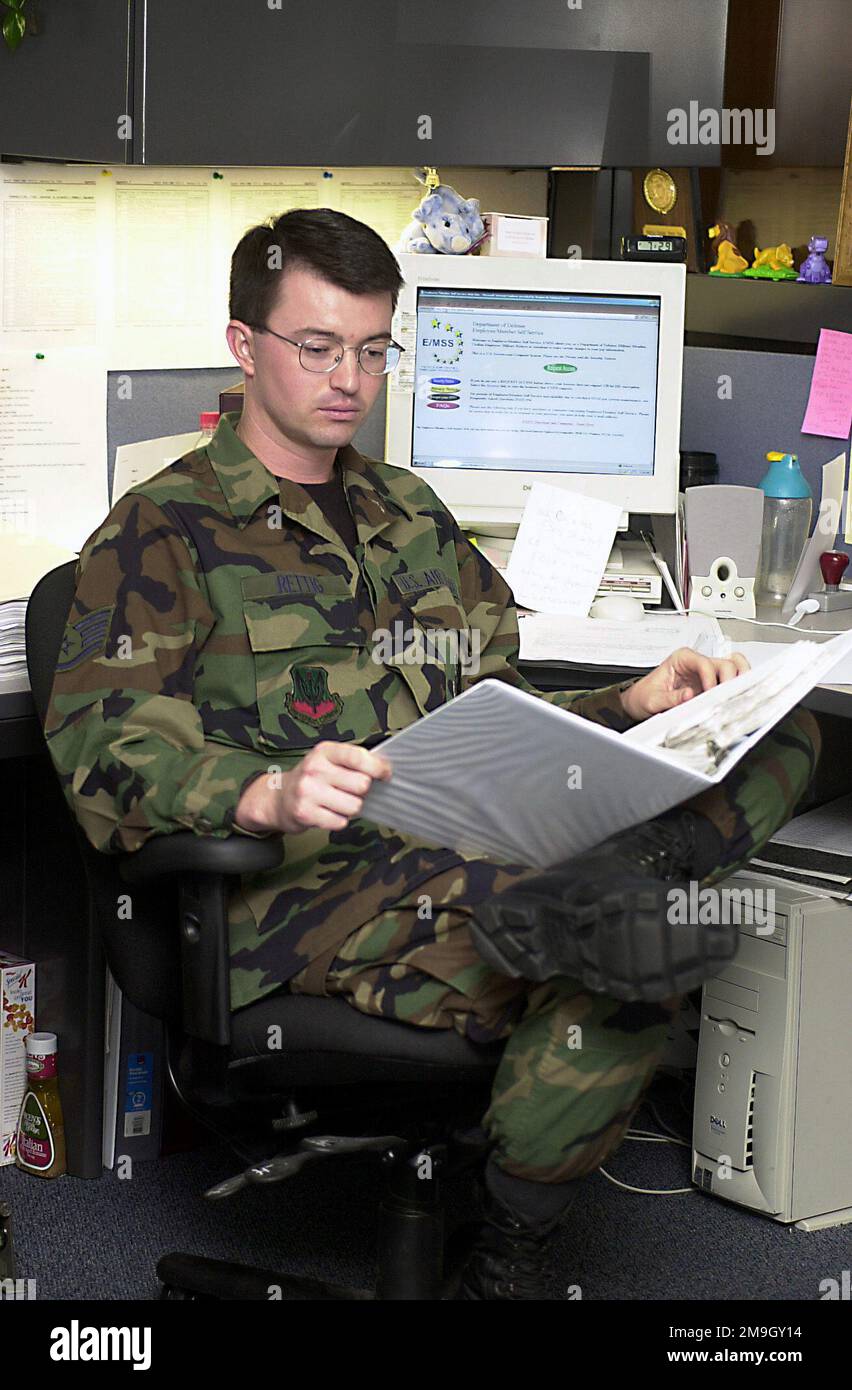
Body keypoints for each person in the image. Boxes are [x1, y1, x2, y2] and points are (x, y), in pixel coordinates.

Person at [44, 209, 821, 1300]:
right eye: (317, 346)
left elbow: (494, 701)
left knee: (783, 733)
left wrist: (630, 703)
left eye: (373, 347)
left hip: (474, 820)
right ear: (244, 343)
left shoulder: (408, 510)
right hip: (304, 881)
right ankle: (511, 1257)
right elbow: (101, 750)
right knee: (624, 947)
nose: (348, 378)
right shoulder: (160, 531)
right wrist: (266, 789)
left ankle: (622, 876)